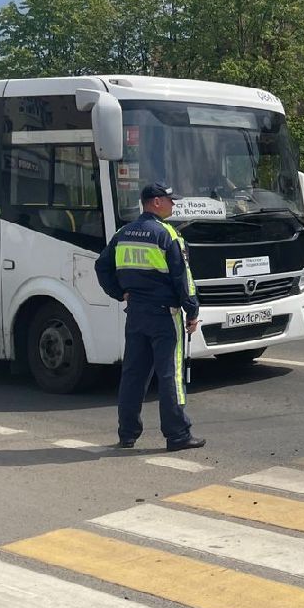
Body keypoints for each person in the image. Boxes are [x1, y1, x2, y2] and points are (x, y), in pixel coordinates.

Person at [94, 182, 204, 452]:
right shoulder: (167, 234)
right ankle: (178, 435)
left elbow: (101, 266)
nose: (173, 204)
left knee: (133, 374)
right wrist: (192, 310)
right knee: (171, 375)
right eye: (169, 200)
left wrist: (120, 294)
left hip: (136, 314)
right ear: (156, 202)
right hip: (165, 315)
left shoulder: (123, 233)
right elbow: (183, 278)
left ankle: (127, 434)